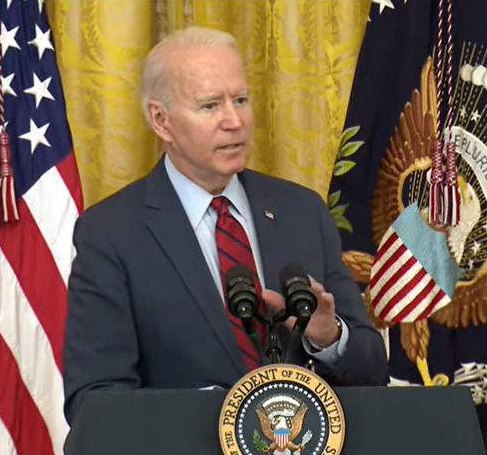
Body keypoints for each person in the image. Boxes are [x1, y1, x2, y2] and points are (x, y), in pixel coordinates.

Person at [62, 27, 388, 424]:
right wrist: (216, 418)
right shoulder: (111, 233)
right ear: (161, 121)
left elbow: (373, 371)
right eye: (210, 106)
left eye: (240, 100)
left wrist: (327, 338)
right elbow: (95, 401)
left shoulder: (302, 211)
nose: (234, 121)